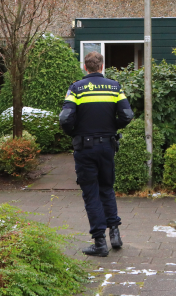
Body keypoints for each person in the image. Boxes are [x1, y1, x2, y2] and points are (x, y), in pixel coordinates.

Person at [60, 51, 134, 257]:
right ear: (102, 67)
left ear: (85, 67)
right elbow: (127, 115)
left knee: (91, 192)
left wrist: (73, 133)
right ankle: (115, 235)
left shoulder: (76, 88)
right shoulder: (114, 87)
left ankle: (100, 242)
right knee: (107, 189)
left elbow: (65, 118)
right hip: (107, 146)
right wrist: (113, 127)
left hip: (84, 147)